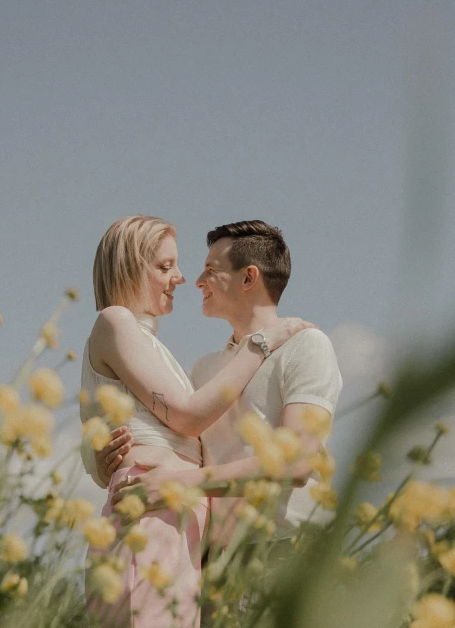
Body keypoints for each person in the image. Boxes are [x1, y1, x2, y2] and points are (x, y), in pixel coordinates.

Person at [80, 215, 313, 628]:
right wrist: (263, 342)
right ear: (132, 266)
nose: (182, 278)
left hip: (178, 514)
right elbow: (187, 418)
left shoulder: (151, 344)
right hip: (152, 508)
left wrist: (95, 459)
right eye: (165, 266)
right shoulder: (114, 321)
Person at [108, 220, 342, 547]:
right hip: (213, 558)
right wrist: (109, 458)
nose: (198, 281)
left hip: (288, 551)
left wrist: (177, 484)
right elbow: (179, 450)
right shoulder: (204, 369)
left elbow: (296, 463)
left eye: (210, 270)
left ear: (248, 277)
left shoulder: (306, 345)